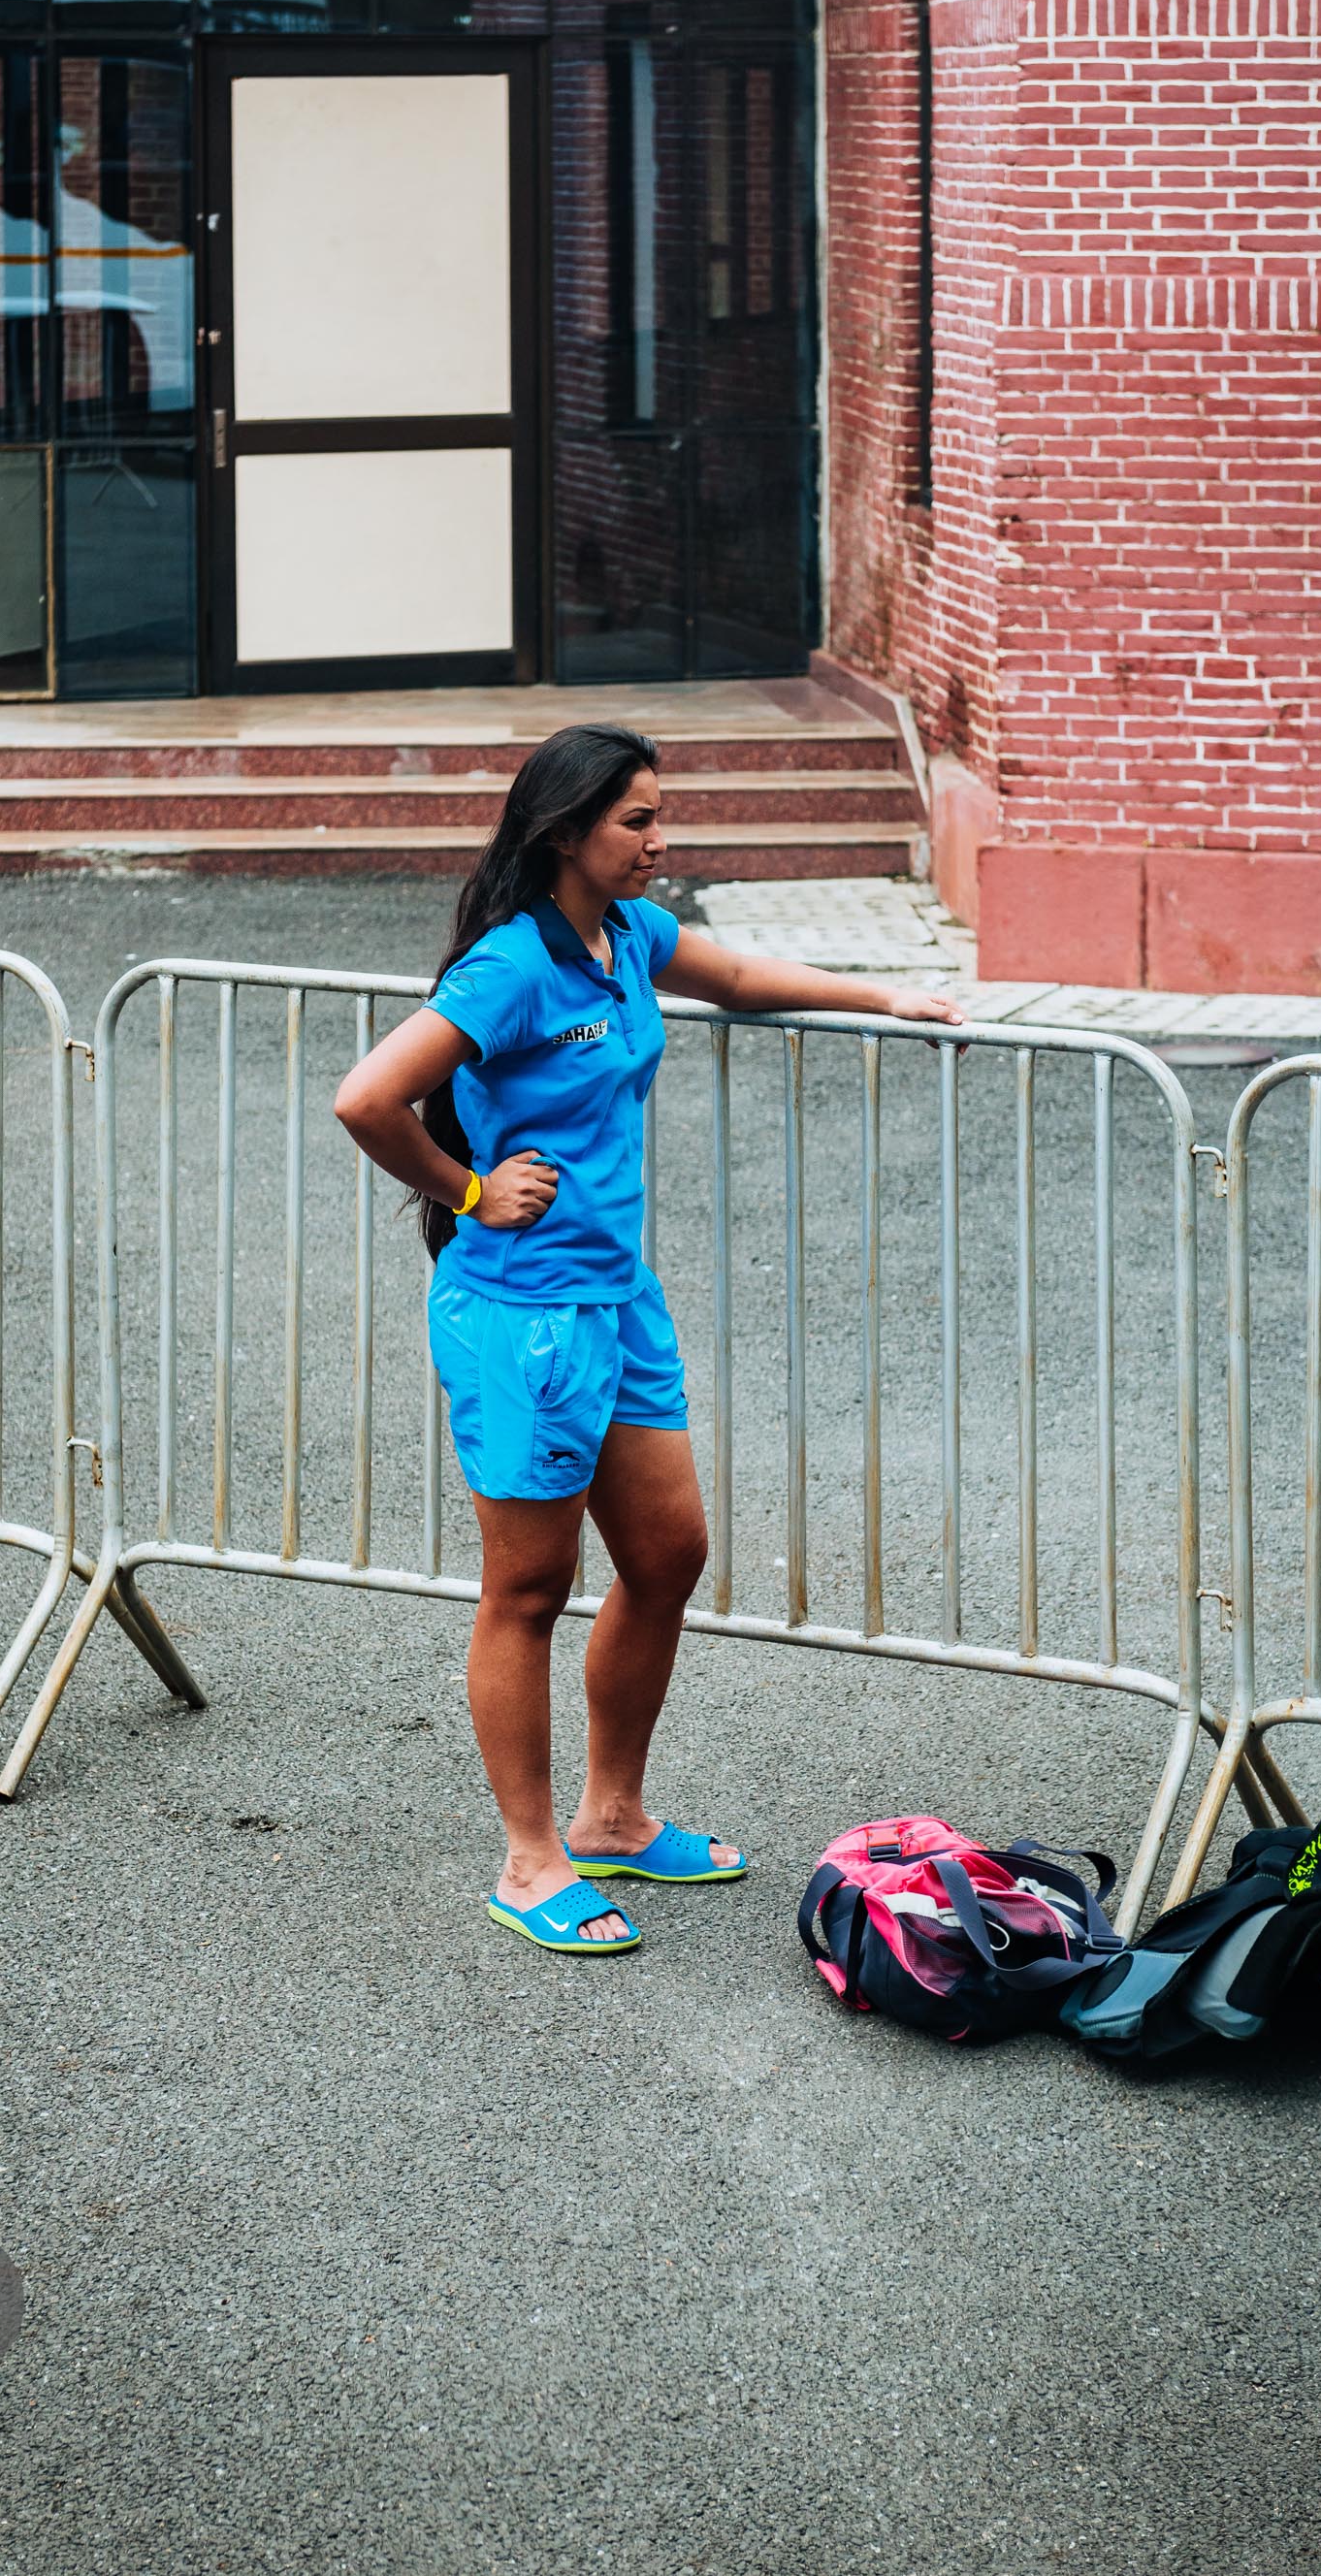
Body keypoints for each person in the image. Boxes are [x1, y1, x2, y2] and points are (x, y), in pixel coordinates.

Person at [334, 724, 964, 1954]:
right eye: (637, 822)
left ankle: (613, 1815)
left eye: (659, 817)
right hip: (521, 1315)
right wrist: (466, 1190)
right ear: (564, 832)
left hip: (619, 1301)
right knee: (528, 1586)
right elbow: (367, 1097)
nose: (660, 841)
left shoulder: (630, 941)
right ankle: (530, 1861)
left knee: (668, 1554)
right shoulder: (510, 968)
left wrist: (890, 995)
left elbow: (734, 978)